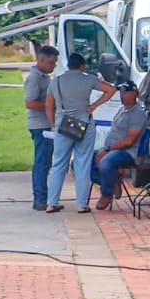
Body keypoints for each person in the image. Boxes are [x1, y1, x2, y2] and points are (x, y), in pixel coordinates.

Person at [44, 52, 115, 214]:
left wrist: (53, 125)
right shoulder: (88, 79)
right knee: (82, 164)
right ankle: (82, 204)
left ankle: (51, 202)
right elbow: (111, 90)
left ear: (68, 65)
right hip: (84, 123)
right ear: (82, 66)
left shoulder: (56, 81)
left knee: (58, 164)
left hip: (63, 123)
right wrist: (94, 105)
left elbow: (48, 105)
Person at [93, 80, 145, 210]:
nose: (122, 95)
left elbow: (130, 140)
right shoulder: (122, 110)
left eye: (125, 93)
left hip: (126, 152)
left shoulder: (137, 113)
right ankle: (112, 181)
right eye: (121, 93)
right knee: (81, 161)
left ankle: (106, 194)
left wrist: (108, 149)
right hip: (110, 149)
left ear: (134, 93)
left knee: (106, 162)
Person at [24, 44, 59, 211]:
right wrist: (50, 106)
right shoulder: (34, 78)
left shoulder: (44, 77)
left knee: (46, 161)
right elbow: (30, 102)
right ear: (42, 60)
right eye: (51, 62)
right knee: (42, 162)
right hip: (40, 125)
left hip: (46, 123)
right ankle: (40, 199)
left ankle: (44, 197)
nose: (53, 66)